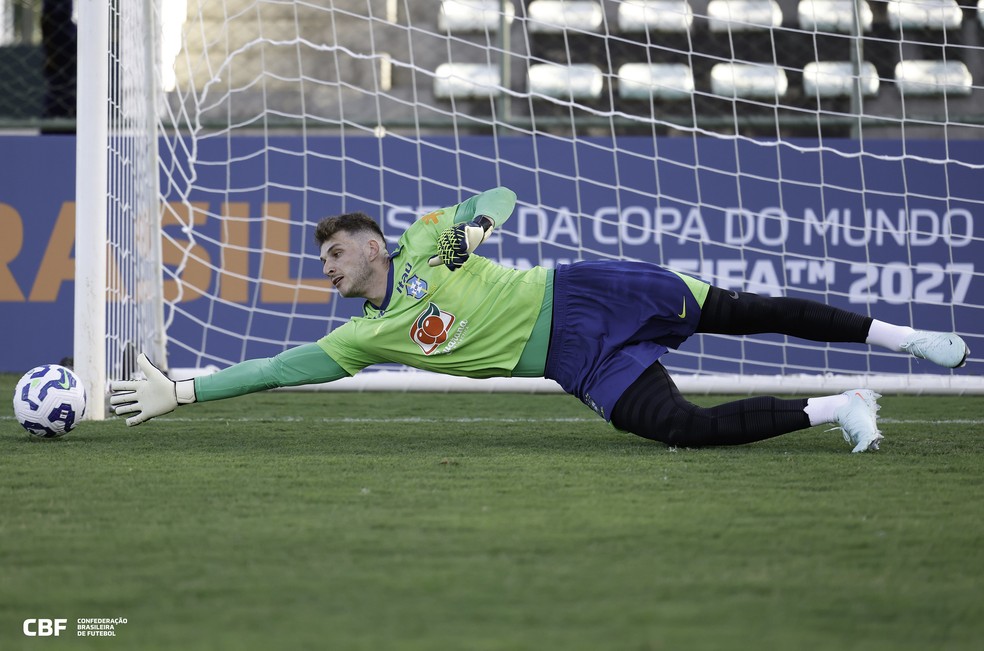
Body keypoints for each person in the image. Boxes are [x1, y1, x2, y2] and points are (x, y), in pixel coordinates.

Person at [110, 187, 970, 453]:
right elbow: (274, 369)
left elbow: (498, 195)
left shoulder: (424, 238)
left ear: (372, 245)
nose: (325, 269)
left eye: (334, 255)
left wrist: (474, 231)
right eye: (324, 262)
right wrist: (183, 390)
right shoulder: (360, 337)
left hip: (587, 293)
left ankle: (904, 339)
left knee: (748, 313)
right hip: (574, 362)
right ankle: (839, 406)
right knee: (678, 428)